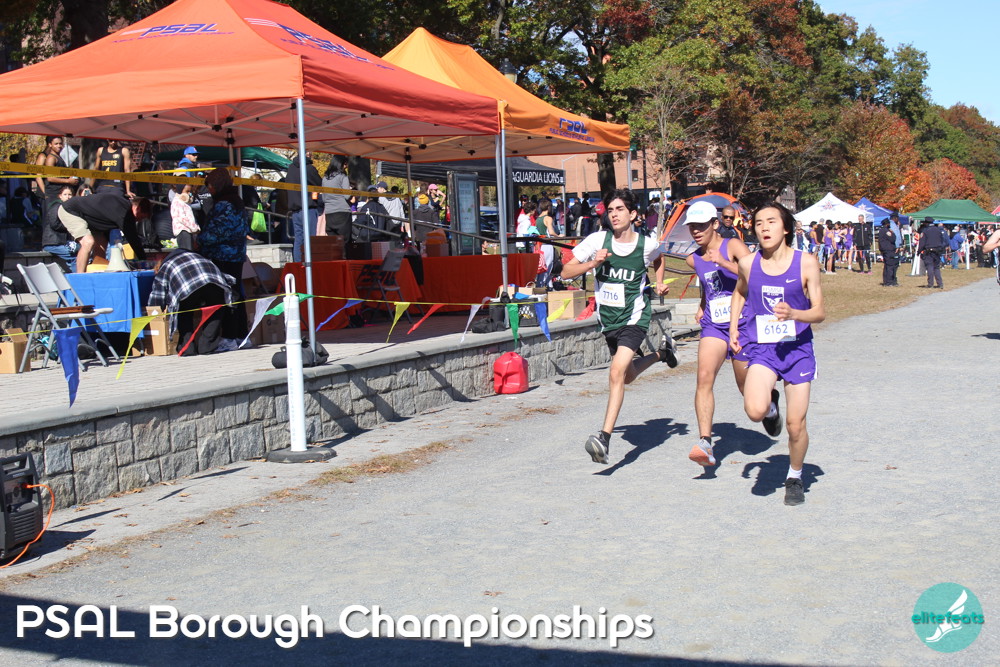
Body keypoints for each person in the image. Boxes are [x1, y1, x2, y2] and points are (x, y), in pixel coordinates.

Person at [560, 188, 677, 465]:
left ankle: (604, 438)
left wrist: (659, 282)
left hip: (635, 316)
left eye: (619, 209)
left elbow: (659, 257)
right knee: (627, 375)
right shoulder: (597, 241)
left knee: (615, 373)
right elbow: (565, 272)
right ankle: (662, 354)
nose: (614, 214)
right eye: (610, 210)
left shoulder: (645, 244)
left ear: (633, 214)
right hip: (609, 320)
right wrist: (594, 262)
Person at [729, 202, 825, 506]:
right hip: (764, 349)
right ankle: (771, 407)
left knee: (796, 425)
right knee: (754, 410)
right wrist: (733, 327)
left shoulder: (806, 263)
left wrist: (795, 313)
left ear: (785, 228)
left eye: (771, 221)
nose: (764, 227)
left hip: (797, 350)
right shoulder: (748, 263)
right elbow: (739, 292)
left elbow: (819, 312)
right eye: (758, 223)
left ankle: (795, 476)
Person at [682, 200, 767, 467]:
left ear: (715, 224)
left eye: (701, 226)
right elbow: (709, 285)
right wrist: (702, 304)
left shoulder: (733, 246)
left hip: (742, 324)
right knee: (704, 377)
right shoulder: (693, 259)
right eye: (692, 227)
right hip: (714, 326)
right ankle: (705, 443)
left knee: (746, 388)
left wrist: (724, 263)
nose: (696, 231)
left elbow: (756, 274)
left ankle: (770, 403)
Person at [147, 249, 236, 356]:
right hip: (214, 282)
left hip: (187, 286)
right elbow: (226, 277)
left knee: (184, 314)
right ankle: (207, 346)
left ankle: (187, 348)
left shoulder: (166, 266)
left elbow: (158, 294)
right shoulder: (199, 256)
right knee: (215, 310)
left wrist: (154, 310)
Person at [198, 168, 249, 340]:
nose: (209, 189)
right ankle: (241, 335)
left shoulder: (224, 204)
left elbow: (219, 231)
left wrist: (200, 238)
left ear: (217, 185)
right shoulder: (236, 200)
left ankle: (230, 336)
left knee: (226, 295)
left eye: (211, 186)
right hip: (236, 255)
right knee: (236, 293)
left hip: (223, 256)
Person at [58, 189, 148, 273]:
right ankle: (80, 276)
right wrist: (144, 261)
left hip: (92, 218)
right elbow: (133, 238)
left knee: (102, 244)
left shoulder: (122, 208)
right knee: (88, 242)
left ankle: (98, 271)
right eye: (141, 216)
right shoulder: (124, 211)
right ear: (137, 208)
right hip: (71, 210)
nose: (139, 220)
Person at [284, 151, 323, 262]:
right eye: (309, 151)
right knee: (310, 239)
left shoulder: (290, 169)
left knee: (298, 239)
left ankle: (298, 264)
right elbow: (320, 184)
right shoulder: (309, 168)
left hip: (295, 210)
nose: (311, 154)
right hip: (308, 208)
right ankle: (310, 264)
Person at [34, 136, 79, 212]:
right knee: (52, 216)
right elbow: (50, 178)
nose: (59, 146)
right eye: (56, 144)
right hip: (53, 193)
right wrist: (68, 181)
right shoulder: (51, 158)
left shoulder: (60, 157)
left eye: (60, 143)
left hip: (61, 192)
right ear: (50, 145)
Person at [41, 185, 78, 270]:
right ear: (60, 196)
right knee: (75, 257)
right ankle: (77, 276)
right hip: (53, 243)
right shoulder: (56, 206)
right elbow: (54, 224)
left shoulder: (69, 208)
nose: (68, 197)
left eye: (70, 194)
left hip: (62, 243)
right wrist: (70, 226)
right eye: (65, 194)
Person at [322, 156, 352, 239]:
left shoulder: (325, 178)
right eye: (345, 164)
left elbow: (324, 198)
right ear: (340, 164)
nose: (346, 166)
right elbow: (347, 196)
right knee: (345, 241)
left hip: (329, 213)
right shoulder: (343, 176)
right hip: (342, 212)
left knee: (333, 242)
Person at [917, 217, 947, 289]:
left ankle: (930, 284)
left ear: (926, 223)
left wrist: (919, 251)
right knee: (936, 267)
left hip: (929, 251)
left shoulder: (925, 231)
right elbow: (943, 241)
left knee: (930, 267)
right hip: (937, 251)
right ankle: (940, 284)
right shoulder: (938, 230)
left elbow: (922, 242)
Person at [171, 184, 199, 250]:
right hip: (183, 232)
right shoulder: (177, 202)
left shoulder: (184, 202)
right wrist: (194, 228)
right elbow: (182, 218)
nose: (189, 194)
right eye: (187, 191)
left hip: (188, 231)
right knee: (187, 252)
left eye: (190, 191)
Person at [878, 218, 898, 286]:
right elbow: (893, 239)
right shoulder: (886, 231)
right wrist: (892, 232)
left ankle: (886, 281)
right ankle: (889, 281)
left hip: (884, 250)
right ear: (887, 224)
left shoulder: (881, 230)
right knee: (890, 266)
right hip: (889, 250)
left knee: (886, 266)